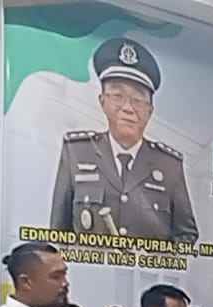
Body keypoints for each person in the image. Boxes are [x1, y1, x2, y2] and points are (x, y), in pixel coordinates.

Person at [50, 39, 196, 242]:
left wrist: (157, 258)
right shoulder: (76, 152)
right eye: (118, 96)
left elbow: (186, 235)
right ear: (102, 101)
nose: (128, 108)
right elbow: (58, 234)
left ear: (149, 111)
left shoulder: (169, 165)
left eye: (137, 100)